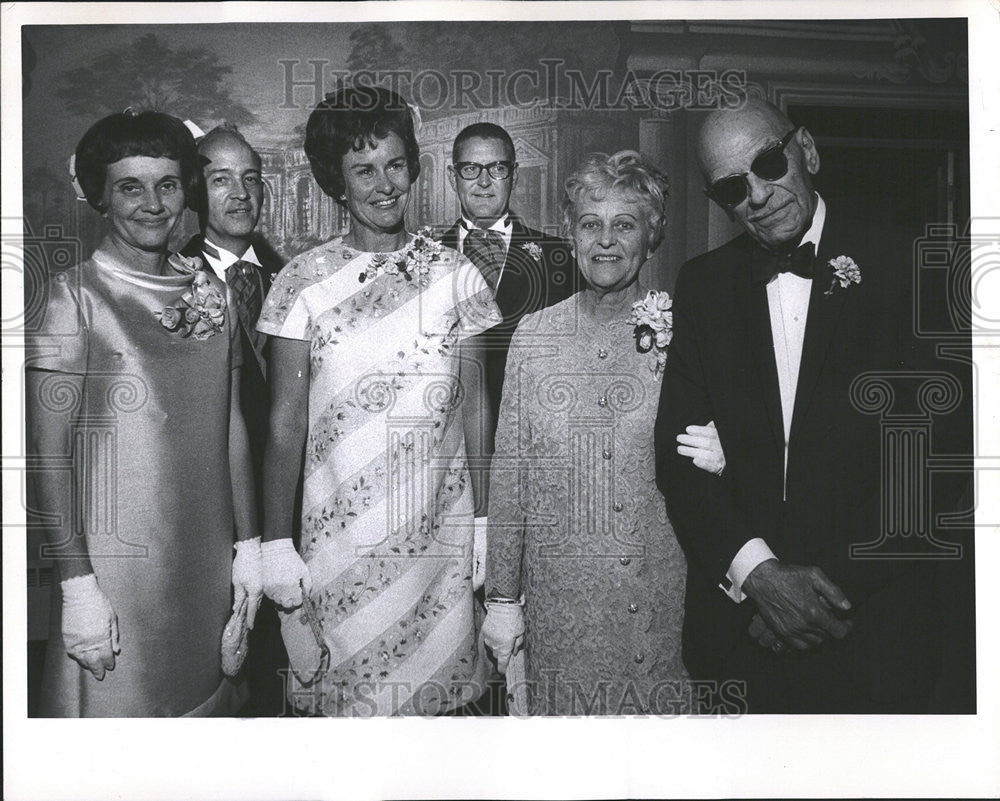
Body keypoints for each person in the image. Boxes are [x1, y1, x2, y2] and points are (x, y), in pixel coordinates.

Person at [654, 99, 969, 713]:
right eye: (731, 187)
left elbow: (938, 457)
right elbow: (680, 458)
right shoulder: (704, 286)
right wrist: (760, 577)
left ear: (808, 150)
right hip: (743, 638)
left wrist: (819, 595)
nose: (759, 195)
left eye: (768, 164)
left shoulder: (914, 265)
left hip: (877, 631)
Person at [256, 86, 501, 716]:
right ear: (336, 182)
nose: (384, 184)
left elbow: (476, 409)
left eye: (395, 164)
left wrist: (484, 524)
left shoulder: (458, 276)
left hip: (437, 544)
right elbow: (284, 425)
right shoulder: (302, 282)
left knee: (438, 740)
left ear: (414, 166)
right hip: (339, 549)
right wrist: (274, 544)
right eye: (364, 170)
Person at [26, 110, 260, 717]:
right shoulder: (71, 297)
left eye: (167, 184)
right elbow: (46, 456)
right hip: (118, 572)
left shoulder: (212, 294)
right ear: (100, 196)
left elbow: (230, 427)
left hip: (208, 566)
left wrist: (253, 549)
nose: (153, 204)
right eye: (130, 186)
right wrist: (77, 584)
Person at [481, 151, 725, 715]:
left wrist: (730, 450)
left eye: (625, 224)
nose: (606, 241)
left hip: (660, 594)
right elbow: (511, 469)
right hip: (559, 606)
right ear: (570, 232)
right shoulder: (535, 334)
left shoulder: (686, 331)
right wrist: (501, 596)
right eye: (591, 224)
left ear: (652, 233)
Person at [180, 123, 286, 715]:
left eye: (251, 179)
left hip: (287, 517)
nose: (240, 194)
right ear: (198, 190)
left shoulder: (293, 275)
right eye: (222, 180)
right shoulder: (167, 280)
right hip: (205, 517)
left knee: (278, 676)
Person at [440, 122, 579, 453]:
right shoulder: (422, 260)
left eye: (497, 168)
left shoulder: (561, 258)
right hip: (445, 451)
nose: (484, 181)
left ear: (514, 175)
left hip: (534, 448)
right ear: (452, 176)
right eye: (471, 169)